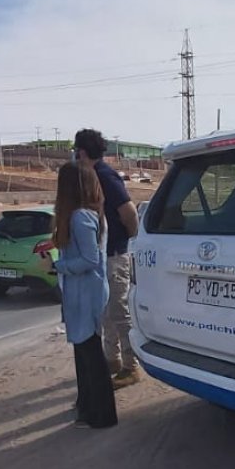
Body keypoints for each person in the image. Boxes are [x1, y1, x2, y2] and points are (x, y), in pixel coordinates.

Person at [45, 161, 118, 428]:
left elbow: (90, 259)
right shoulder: (87, 215)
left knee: (91, 355)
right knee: (84, 353)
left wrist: (58, 266)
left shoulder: (81, 217)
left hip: (86, 292)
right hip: (82, 292)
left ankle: (102, 415)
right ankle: (87, 408)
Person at [73, 129, 140, 388]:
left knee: (119, 313)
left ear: (82, 152)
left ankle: (131, 366)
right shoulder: (91, 176)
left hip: (114, 255)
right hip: (102, 256)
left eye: (76, 151)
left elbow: (129, 212)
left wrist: (127, 239)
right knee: (106, 313)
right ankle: (112, 360)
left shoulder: (105, 176)